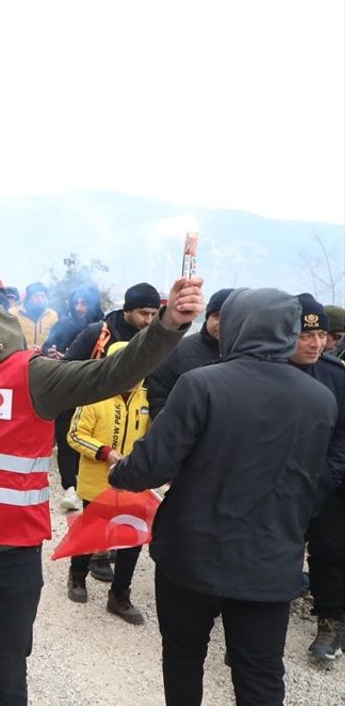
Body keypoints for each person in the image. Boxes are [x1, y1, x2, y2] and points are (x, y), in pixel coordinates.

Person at [0, 277, 203, 706]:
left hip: (11, 555)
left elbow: (111, 373)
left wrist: (167, 324)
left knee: (7, 661)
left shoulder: (33, 376)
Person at [108, 288, 335, 706]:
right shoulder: (320, 399)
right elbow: (311, 476)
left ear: (235, 325)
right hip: (271, 561)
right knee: (262, 677)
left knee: (183, 658)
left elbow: (152, 465)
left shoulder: (202, 384)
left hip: (192, 556)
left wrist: (119, 472)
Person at [55, 282, 162, 513]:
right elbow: (66, 368)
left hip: (131, 411)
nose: (149, 320)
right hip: (86, 404)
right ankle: (71, 489)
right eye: (144, 313)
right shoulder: (99, 333)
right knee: (73, 446)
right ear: (127, 310)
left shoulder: (153, 339)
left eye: (154, 314)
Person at [64, 340, 149, 624]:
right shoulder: (94, 396)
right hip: (97, 481)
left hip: (133, 483)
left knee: (131, 540)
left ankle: (120, 595)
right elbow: (74, 435)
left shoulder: (148, 400)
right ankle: (77, 577)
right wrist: (105, 452)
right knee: (91, 532)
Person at [290, 294, 345, 663]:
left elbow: (342, 438)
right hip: (273, 485)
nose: (315, 343)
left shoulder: (336, 377)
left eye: (322, 335)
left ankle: (330, 621)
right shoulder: (266, 370)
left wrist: (323, 480)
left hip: (326, 485)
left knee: (330, 553)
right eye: (305, 335)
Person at [145, 288, 233, 419]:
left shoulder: (249, 357)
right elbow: (157, 395)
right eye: (217, 316)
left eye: (229, 317)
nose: (221, 323)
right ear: (207, 317)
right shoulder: (178, 351)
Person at [42, 285, 102, 356]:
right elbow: (47, 346)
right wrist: (51, 352)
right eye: (76, 303)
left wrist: (67, 357)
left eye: (84, 304)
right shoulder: (62, 324)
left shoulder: (100, 328)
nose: (78, 308)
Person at [12, 282, 59, 350]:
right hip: (21, 357)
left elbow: (55, 339)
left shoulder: (52, 315)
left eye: (42, 296)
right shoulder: (14, 313)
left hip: (43, 357)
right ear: (28, 297)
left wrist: (45, 350)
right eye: (36, 296)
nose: (39, 299)